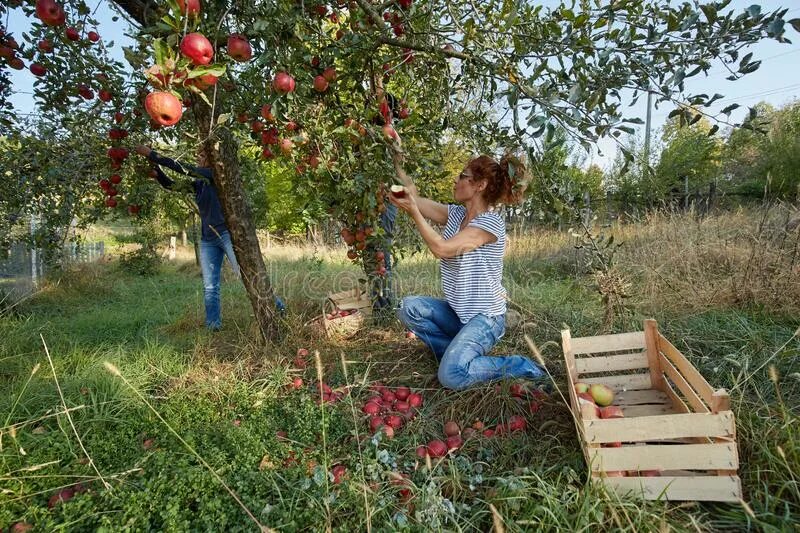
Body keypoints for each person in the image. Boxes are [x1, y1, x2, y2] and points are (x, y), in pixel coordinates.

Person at [388, 150, 544, 390]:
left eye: (462, 176)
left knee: (451, 376)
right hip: (458, 313)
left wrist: (413, 212)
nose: (456, 180)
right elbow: (415, 199)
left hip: (485, 319)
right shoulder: (456, 214)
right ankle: (453, 353)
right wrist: (399, 158)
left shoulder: (490, 223)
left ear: (480, 185)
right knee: (408, 308)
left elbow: (442, 249)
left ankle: (521, 366)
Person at [135, 145, 285, 330]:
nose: (197, 158)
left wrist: (152, 154)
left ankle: (278, 307)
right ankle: (213, 325)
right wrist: (157, 172)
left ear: (211, 159)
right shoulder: (200, 183)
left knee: (245, 275)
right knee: (210, 286)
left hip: (225, 235)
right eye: (197, 155)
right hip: (208, 239)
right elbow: (172, 185)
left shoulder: (214, 175)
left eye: (201, 155)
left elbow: (184, 169)